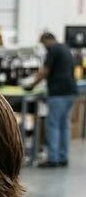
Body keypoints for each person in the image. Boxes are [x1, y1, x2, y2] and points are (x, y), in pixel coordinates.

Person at [26, 31, 78, 167]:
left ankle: (53, 158)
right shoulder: (65, 49)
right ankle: (63, 157)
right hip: (71, 92)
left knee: (53, 125)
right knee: (64, 125)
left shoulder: (53, 50)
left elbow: (45, 71)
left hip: (58, 93)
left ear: (48, 39)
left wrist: (31, 85)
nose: (44, 46)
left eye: (43, 43)